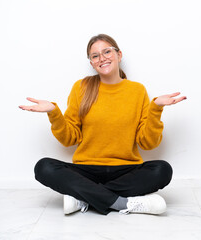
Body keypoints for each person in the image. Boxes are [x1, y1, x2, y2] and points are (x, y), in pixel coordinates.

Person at [19, 34, 186, 215]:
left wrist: (156, 109)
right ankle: (123, 203)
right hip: (86, 169)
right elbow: (69, 139)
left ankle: (83, 198)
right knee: (43, 167)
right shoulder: (81, 87)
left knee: (162, 170)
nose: (102, 58)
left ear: (119, 55)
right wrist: (54, 113)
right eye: (95, 55)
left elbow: (148, 143)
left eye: (107, 51)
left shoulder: (137, 90)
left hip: (126, 169)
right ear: (91, 63)